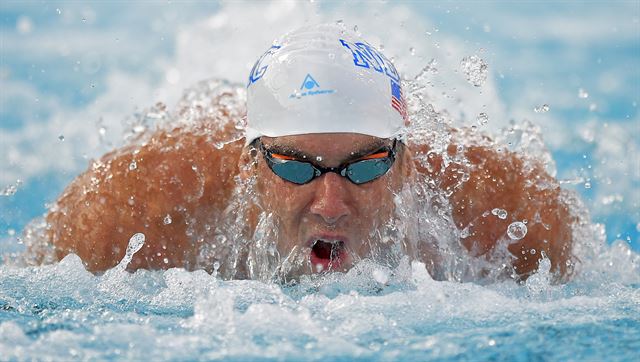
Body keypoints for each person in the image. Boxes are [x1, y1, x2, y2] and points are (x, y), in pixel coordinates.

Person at [40, 24, 575, 282]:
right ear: (251, 164)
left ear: (404, 160)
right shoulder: (129, 219)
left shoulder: (510, 218)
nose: (331, 204)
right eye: (296, 167)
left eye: (365, 166)